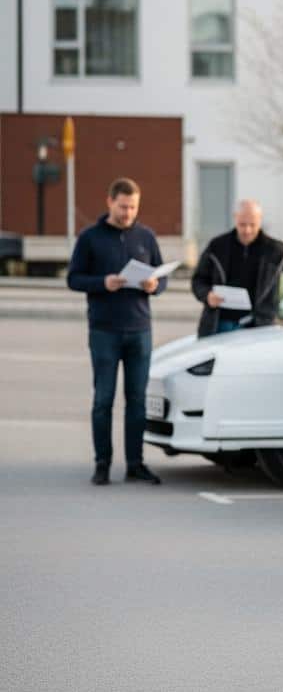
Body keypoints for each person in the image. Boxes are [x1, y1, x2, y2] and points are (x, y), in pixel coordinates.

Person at [66, 178, 167, 486]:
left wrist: (154, 285)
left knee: (137, 401)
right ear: (109, 202)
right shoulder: (90, 238)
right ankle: (102, 463)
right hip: (104, 331)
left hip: (140, 331)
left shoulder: (146, 237)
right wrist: (103, 283)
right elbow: (73, 278)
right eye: (123, 206)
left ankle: (135, 464)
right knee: (103, 400)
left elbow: (162, 278)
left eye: (133, 207)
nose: (128, 213)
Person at [191, 199, 283, 336]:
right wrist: (207, 295)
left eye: (252, 225)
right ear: (235, 218)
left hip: (260, 325)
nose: (247, 230)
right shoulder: (217, 246)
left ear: (260, 220)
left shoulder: (275, 250)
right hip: (219, 324)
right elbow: (198, 280)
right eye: (242, 224)